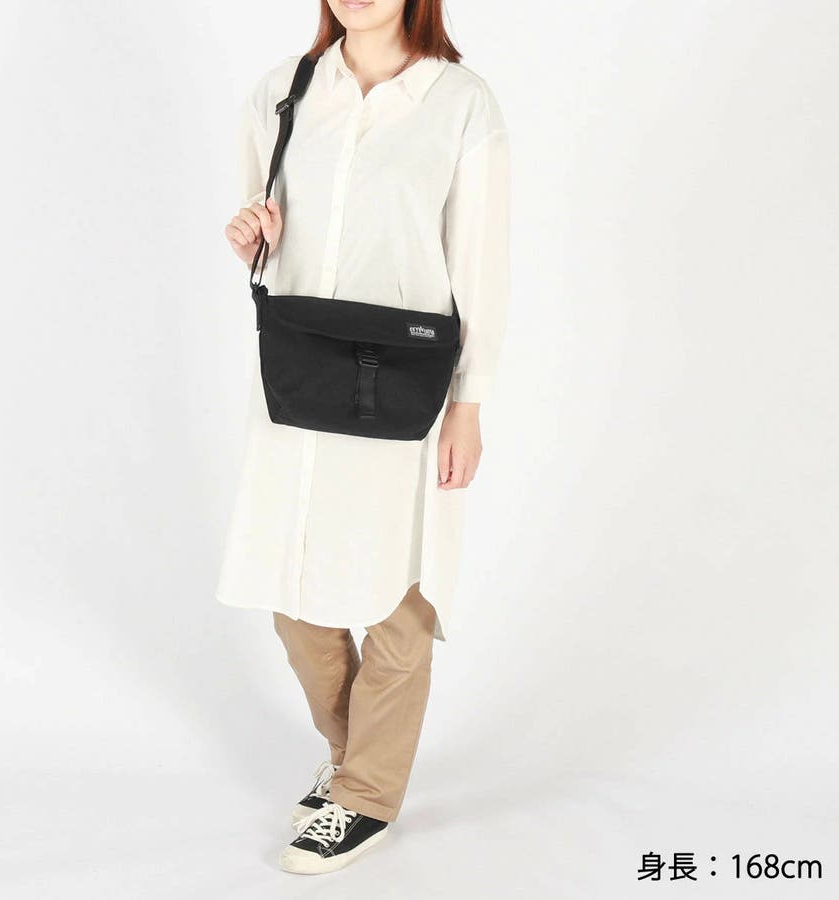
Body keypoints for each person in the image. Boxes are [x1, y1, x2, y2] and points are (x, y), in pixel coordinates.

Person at [217, 0, 511, 875]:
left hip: (406, 381)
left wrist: (470, 403)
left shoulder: (460, 101)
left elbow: (481, 263)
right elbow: (266, 232)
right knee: (291, 583)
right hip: (299, 372)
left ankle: (368, 795)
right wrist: (253, 237)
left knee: (398, 588)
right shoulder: (283, 91)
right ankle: (358, 761)